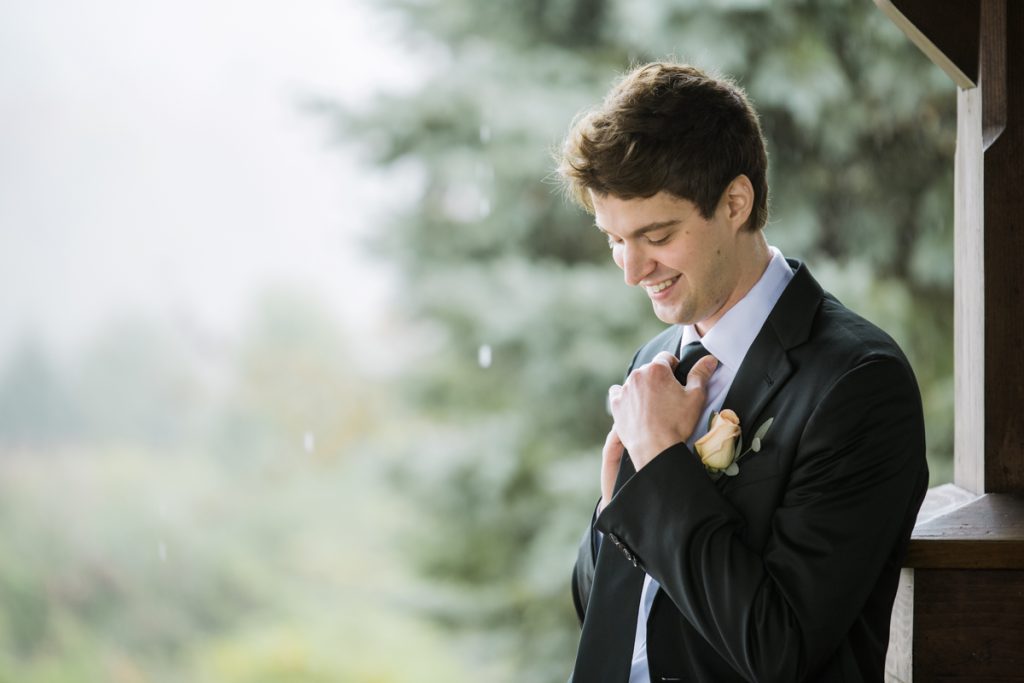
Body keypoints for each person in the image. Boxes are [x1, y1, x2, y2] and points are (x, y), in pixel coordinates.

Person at [556, 62, 928, 682]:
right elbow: (602, 616)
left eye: (656, 235)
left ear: (735, 201)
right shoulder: (654, 365)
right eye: (614, 239)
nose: (631, 270)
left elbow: (778, 649)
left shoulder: (859, 383)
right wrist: (612, 503)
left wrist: (662, 467)